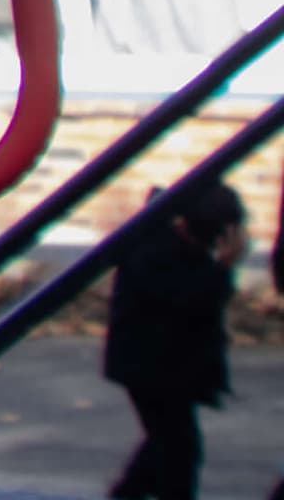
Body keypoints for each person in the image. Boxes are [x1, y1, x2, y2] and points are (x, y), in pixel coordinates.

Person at [104, 178, 245, 500]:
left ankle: (126, 494)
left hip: (168, 365)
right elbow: (188, 301)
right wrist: (222, 269)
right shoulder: (154, 249)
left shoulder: (172, 239)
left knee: (166, 443)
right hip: (148, 365)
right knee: (178, 450)